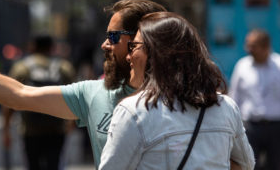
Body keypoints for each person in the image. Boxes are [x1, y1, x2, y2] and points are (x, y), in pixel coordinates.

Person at [0, 0, 167, 168]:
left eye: (113, 37)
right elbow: (17, 95)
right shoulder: (94, 94)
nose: (104, 45)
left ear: (142, 40)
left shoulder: (187, 98)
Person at [99, 12, 255, 170]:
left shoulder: (133, 112)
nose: (128, 56)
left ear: (156, 54)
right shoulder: (226, 107)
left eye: (133, 46)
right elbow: (246, 165)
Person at [2, 35, 76, 170]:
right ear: (51, 47)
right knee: (54, 164)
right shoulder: (64, 67)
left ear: (33, 47)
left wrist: (6, 130)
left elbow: (9, 99)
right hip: (57, 128)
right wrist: (71, 122)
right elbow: (75, 96)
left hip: (30, 129)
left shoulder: (21, 68)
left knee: (33, 165)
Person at [229, 29, 280, 170]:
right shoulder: (242, 66)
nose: (248, 49)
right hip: (250, 127)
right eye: (248, 45)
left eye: (253, 46)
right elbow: (234, 99)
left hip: (277, 127)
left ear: (266, 46)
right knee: (249, 166)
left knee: (278, 166)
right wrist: (232, 127)